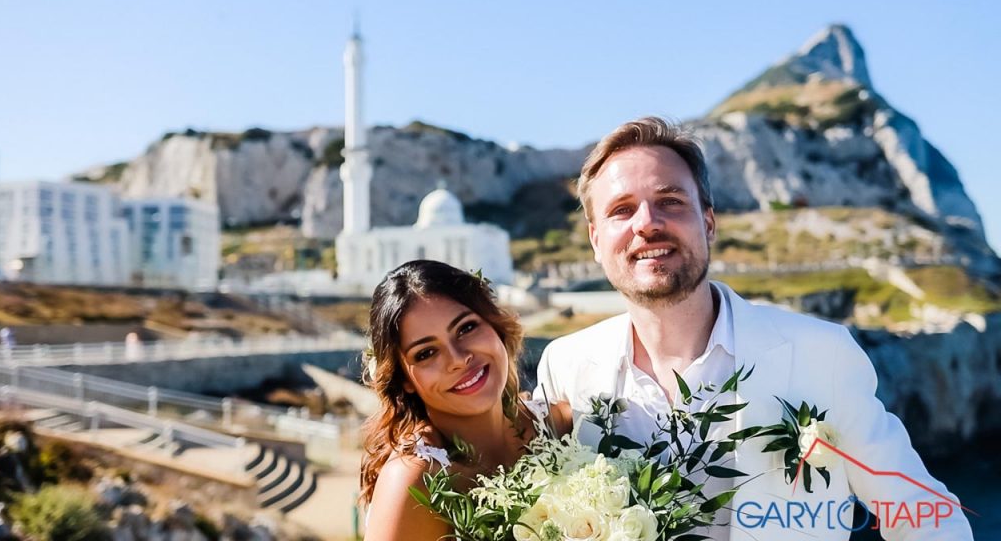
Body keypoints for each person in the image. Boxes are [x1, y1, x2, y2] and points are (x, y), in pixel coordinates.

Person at [535, 116, 973, 540]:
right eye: (622, 209)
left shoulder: (823, 354)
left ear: (708, 223)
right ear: (596, 240)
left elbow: (924, 515)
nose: (646, 223)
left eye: (670, 201)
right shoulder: (565, 366)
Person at [360, 260, 570, 540]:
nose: (458, 359)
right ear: (405, 381)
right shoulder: (414, 483)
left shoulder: (562, 425)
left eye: (466, 328)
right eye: (426, 353)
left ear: (495, 325)